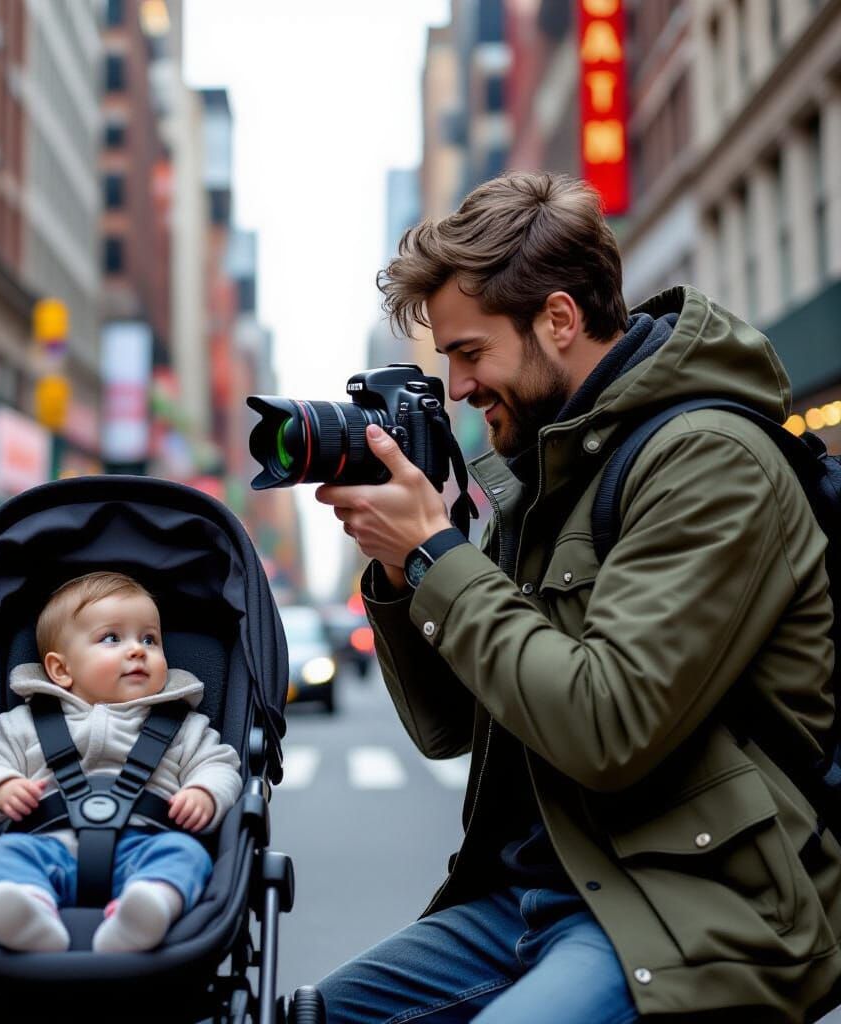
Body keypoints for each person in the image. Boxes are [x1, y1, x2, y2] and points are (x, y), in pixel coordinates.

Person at [313, 172, 841, 1023]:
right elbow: (450, 726)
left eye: (470, 352)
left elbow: (608, 724)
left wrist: (438, 555)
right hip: (536, 893)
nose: (454, 387)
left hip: (694, 905)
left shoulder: (708, 461)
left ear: (558, 320)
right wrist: (401, 563)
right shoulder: (546, 475)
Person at [0, 571, 242, 954]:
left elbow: (221, 765)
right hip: (47, 846)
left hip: (147, 845)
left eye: (150, 639)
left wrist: (204, 792)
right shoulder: (22, 725)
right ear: (61, 670)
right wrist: (0, 787)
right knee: (1, 856)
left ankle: (145, 909)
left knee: (187, 855)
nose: (137, 650)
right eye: (112, 638)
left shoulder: (183, 727)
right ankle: (28, 912)